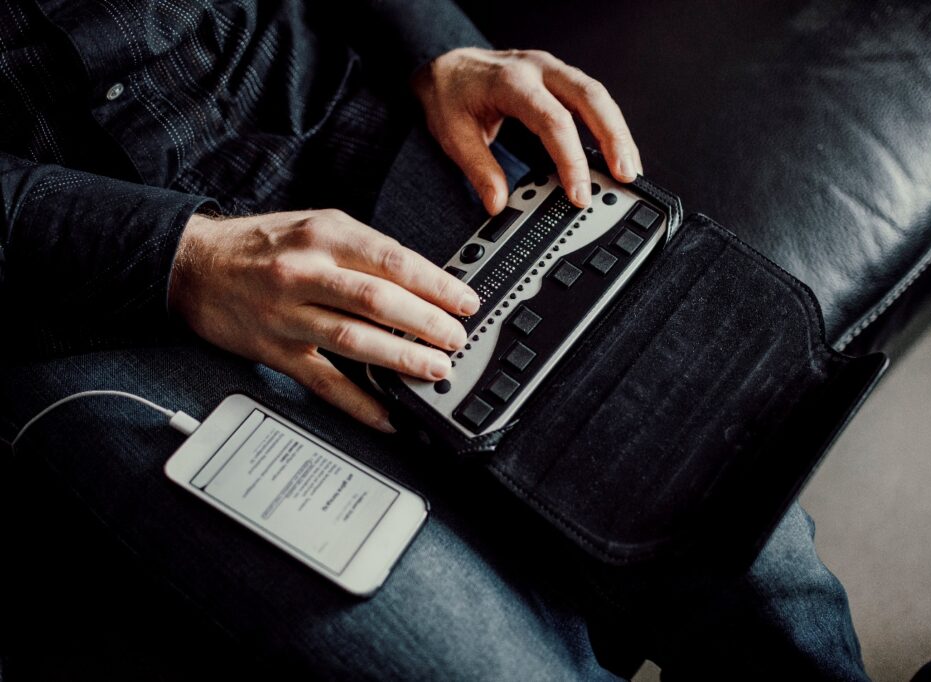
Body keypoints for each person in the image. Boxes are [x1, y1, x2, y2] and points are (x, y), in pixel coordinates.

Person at [0, 1, 867, 679]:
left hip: (331, 125)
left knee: (755, 552)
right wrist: (179, 255)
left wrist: (439, 50)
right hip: (85, 308)